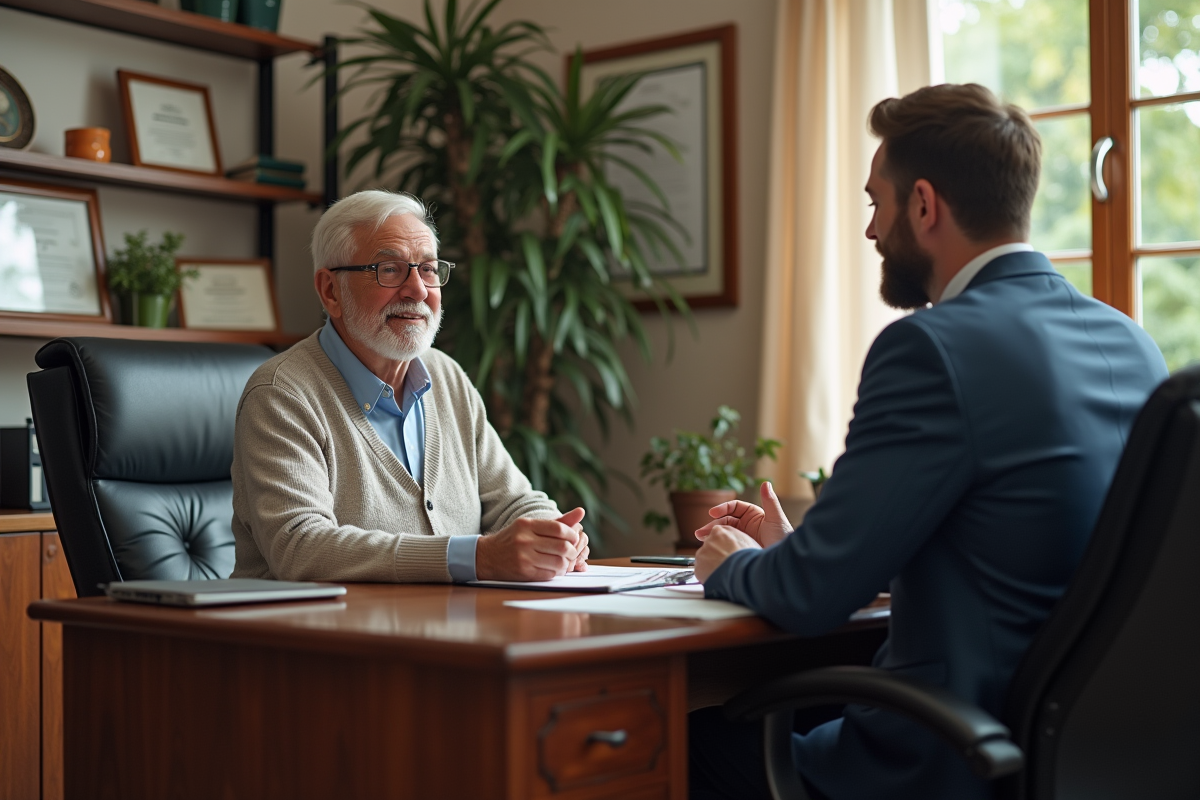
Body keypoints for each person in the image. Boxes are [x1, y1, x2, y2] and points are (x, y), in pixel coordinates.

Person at [688, 84, 1168, 799]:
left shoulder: (930, 348)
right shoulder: (1131, 342)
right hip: (1092, 754)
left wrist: (738, 564)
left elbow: (810, 599)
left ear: (923, 204)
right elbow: (1012, 547)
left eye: (875, 203)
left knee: (675, 745)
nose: (871, 231)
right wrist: (797, 550)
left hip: (952, 754)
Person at [231, 190, 588, 584]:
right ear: (330, 290)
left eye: (429, 270)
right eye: (389, 270)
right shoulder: (281, 394)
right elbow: (299, 547)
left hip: (447, 629)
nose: (418, 290)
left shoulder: (446, 376)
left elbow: (514, 499)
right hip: (312, 637)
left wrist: (552, 532)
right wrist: (478, 557)